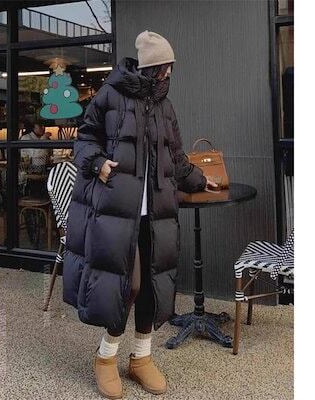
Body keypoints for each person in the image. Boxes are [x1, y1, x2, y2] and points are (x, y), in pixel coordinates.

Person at [64, 30, 217, 399]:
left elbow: (176, 157)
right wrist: (98, 163)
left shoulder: (164, 105)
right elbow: (84, 139)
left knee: (151, 285)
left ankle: (141, 358)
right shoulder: (110, 95)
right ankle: (105, 357)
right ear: (151, 67)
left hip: (156, 210)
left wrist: (199, 179)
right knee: (128, 285)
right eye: (165, 66)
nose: (170, 73)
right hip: (117, 208)